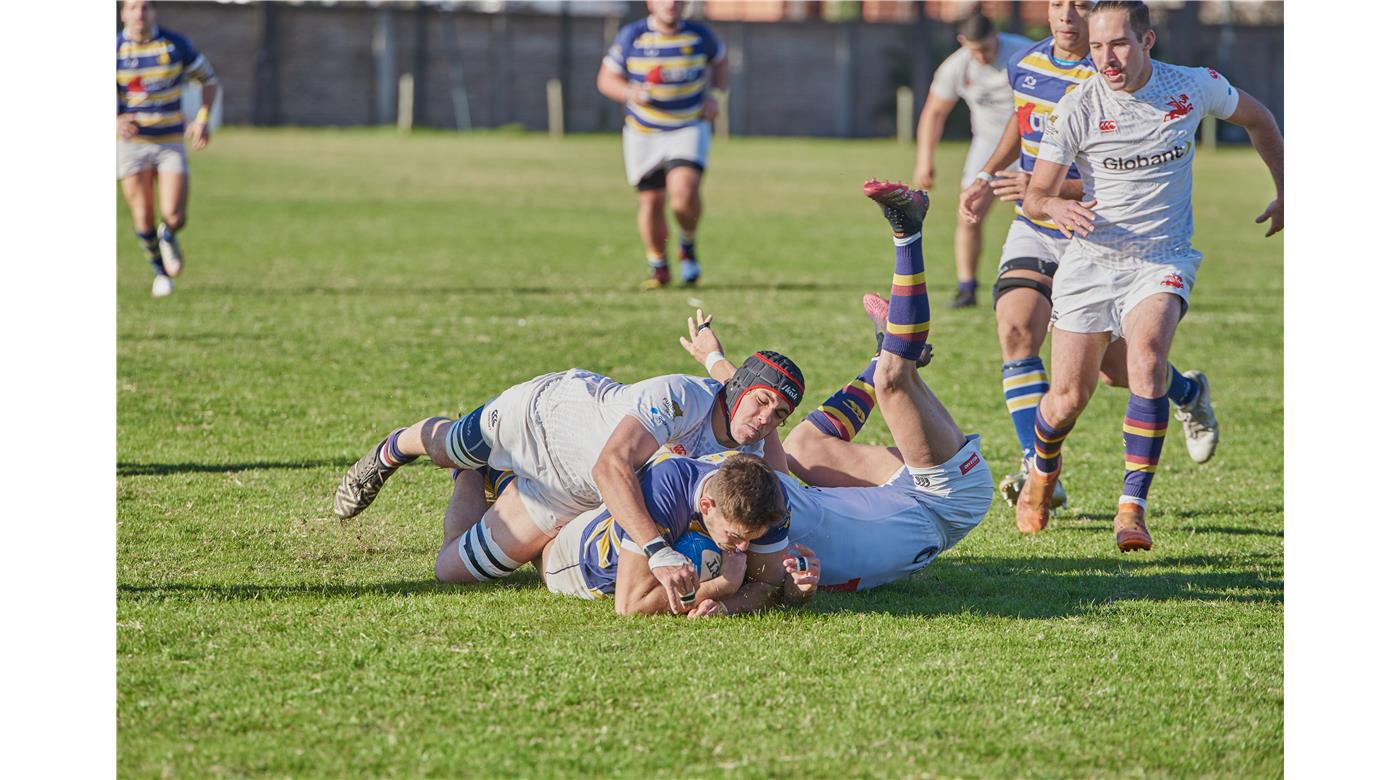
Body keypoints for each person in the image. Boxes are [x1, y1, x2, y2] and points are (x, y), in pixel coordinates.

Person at [1017, 0, 1283, 552]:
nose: (1106, 58)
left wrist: (1289, 188)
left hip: (1162, 257)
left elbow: (1258, 118)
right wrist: (1055, 208)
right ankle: (1041, 475)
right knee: (1067, 398)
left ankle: (1131, 509)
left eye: (1117, 44)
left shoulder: (1193, 86)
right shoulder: (1076, 107)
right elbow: (1035, 193)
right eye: (1095, 47)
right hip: (1091, 262)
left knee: (1146, 360)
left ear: (1147, 40)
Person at [955, 0, 1220, 507]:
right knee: (1015, 330)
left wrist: (1054, 189)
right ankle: (1035, 470)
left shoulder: (1113, 71)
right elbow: (1023, 118)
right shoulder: (1027, 62)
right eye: (1058, 4)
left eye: (1079, 6)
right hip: (1039, 221)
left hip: (1105, 232)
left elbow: (1124, 171)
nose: (1067, 17)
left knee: (1116, 371)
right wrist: (988, 176)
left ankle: (1186, 393)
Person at [676, 180, 995, 592]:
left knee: (800, 449)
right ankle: (908, 230)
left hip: (907, 498)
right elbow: (779, 589)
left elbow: (755, 418)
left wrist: (715, 361)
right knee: (893, 381)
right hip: (946, 503)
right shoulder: (763, 513)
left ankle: (888, 352)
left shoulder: (757, 503)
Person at [333, 356, 805, 613]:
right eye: (760, 403)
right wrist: (658, 551)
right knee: (451, 444)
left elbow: (777, 501)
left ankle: (477, 476)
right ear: (737, 389)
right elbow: (611, 467)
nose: (765, 420)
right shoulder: (680, 396)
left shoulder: (749, 458)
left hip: (570, 495)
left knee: (452, 571)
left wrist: (791, 569)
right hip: (544, 419)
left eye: (779, 415)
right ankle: (394, 447)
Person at [538, 452, 821, 618]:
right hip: (581, 559)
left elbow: (767, 584)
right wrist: (721, 586)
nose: (746, 547)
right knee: (542, 555)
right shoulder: (666, 488)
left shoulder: (768, 498)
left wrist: (726, 606)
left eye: (752, 537)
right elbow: (630, 606)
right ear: (707, 505)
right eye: (736, 537)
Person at [596, 0, 727, 289]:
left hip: (687, 126)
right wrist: (630, 92)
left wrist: (715, 95)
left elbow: (720, 59)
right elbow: (606, 79)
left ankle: (687, 245)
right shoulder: (633, 36)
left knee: (683, 194)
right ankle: (659, 267)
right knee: (651, 201)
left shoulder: (699, 35)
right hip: (643, 132)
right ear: (650, 3)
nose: (671, 4)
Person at [913, 13, 1031, 308]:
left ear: (998, 37)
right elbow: (934, 113)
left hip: (1033, 144)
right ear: (962, 41)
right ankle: (966, 286)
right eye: (974, 49)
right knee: (969, 210)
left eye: (987, 49)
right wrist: (924, 160)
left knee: (1040, 211)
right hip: (988, 145)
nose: (981, 56)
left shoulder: (1023, 54)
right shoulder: (956, 65)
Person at [117, 0, 220, 298]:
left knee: (174, 214)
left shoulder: (175, 46)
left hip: (169, 141)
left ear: (155, 12)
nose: (140, 14)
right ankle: (160, 273)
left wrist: (202, 120)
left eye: (146, 7)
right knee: (143, 215)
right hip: (132, 144)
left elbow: (209, 80)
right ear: (123, 12)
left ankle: (169, 234)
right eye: (134, 7)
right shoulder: (114, 51)